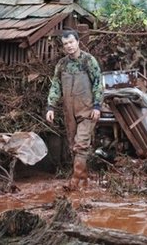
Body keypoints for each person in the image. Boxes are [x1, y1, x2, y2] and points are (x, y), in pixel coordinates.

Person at [46, 29, 103, 189]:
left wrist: (97, 106)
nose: (69, 46)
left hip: (87, 111)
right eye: (65, 44)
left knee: (81, 144)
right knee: (74, 146)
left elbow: (99, 82)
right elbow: (56, 85)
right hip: (69, 112)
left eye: (71, 42)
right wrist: (51, 106)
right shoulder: (62, 64)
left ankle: (74, 181)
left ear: (78, 42)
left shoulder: (88, 61)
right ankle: (83, 181)